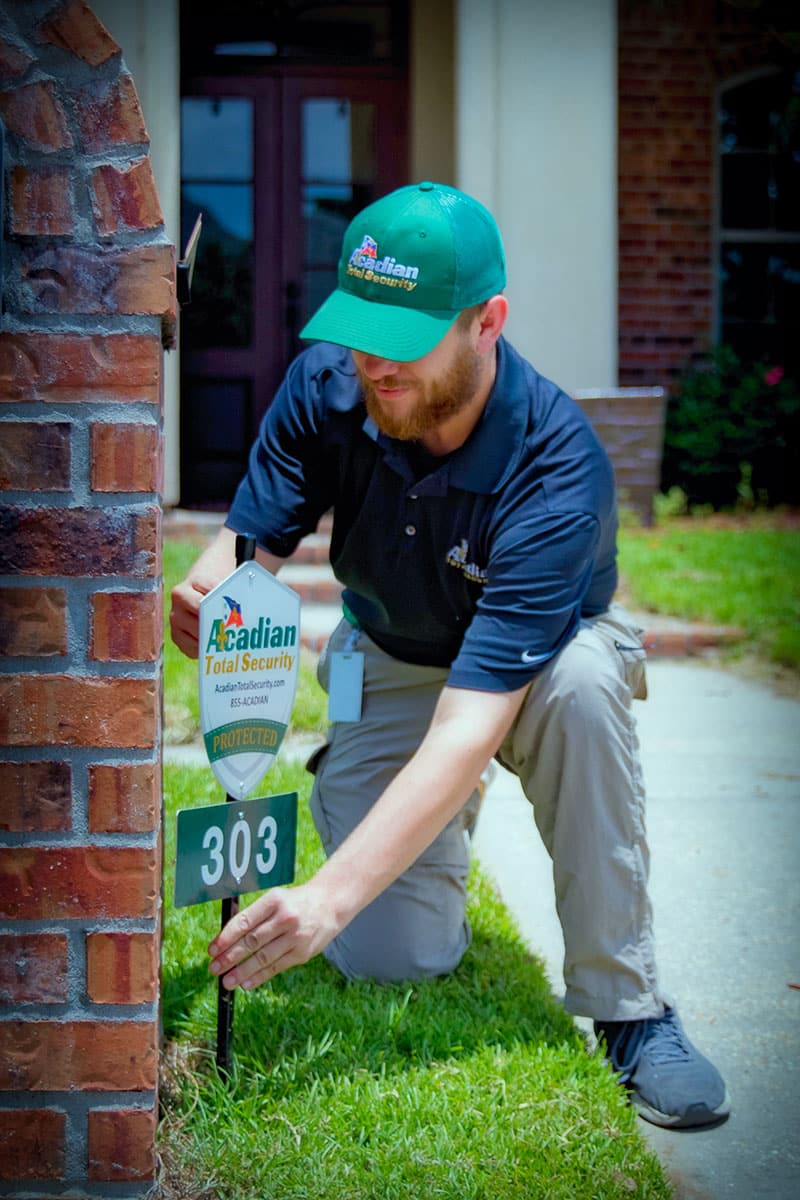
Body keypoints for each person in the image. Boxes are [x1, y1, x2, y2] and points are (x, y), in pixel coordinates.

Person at [170, 181, 730, 1129]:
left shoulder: (560, 466)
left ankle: (630, 1009)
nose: (376, 362)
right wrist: (204, 587)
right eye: (361, 327)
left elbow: (473, 721)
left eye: (408, 334)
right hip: (389, 650)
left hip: (540, 667)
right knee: (393, 954)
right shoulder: (329, 387)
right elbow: (247, 548)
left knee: (590, 686)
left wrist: (326, 899)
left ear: (488, 323)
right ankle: (407, 829)